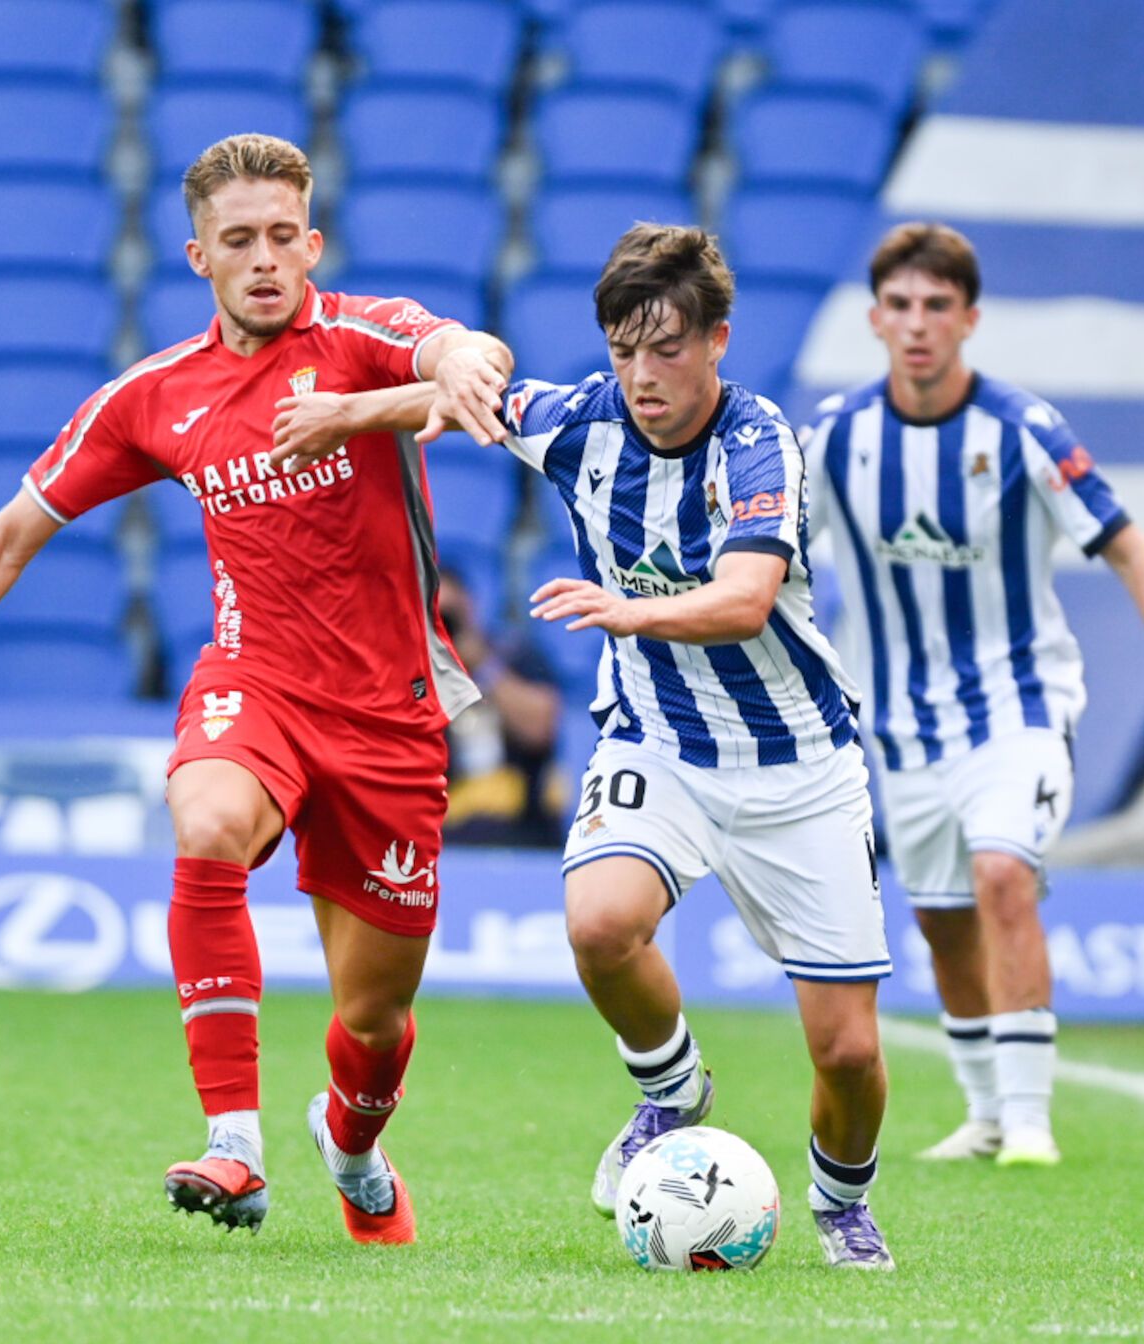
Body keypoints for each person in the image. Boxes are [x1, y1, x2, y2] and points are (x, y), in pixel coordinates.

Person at [0, 134, 513, 1244]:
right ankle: (233, 1142)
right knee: (206, 824)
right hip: (257, 684)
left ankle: (352, 1145)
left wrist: (467, 363)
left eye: (283, 236)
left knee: (372, 1023)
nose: (265, 258)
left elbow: (457, 350)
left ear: (313, 242)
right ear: (198, 257)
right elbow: (7, 536)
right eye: (239, 240)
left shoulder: (362, 336)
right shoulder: (153, 397)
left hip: (390, 716)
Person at [299, 224, 903, 1269]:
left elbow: (747, 597)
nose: (640, 375)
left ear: (716, 341)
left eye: (664, 349)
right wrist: (347, 412)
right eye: (622, 350)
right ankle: (671, 1092)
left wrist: (629, 614)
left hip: (796, 763)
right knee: (598, 920)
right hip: (657, 742)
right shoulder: (583, 419)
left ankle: (840, 1203)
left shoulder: (759, 443)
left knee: (846, 1051)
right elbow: (462, 402)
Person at [806, 222, 1144, 1167]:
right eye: (902, 306)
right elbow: (774, 558)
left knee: (1003, 872)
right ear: (876, 319)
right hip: (902, 726)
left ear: (971, 319)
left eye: (938, 307)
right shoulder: (837, 438)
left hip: (1019, 706)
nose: (918, 325)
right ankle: (988, 1111)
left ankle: (1032, 1119)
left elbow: (1129, 543)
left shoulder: (1023, 430)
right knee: (943, 915)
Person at [438, 564, 566, 848]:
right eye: (436, 617)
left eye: (451, 616)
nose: (445, 626)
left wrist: (483, 666)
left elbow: (541, 727)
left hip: (523, 831)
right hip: (444, 836)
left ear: (470, 608)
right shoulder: (412, 672)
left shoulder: (515, 655)